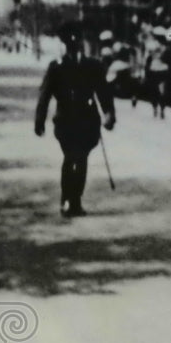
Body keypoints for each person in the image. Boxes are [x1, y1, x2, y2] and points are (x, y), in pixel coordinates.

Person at [34, 21, 115, 218]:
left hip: (88, 122)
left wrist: (109, 114)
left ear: (81, 44)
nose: (73, 46)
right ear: (64, 45)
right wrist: (40, 120)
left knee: (80, 158)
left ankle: (74, 199)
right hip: (65, 123)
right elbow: (44, 95)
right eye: (69, 44)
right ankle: (68, 198)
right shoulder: (56, 67)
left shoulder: (93, 66)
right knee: (72, 158)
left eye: (76, 42)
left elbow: (104, 92)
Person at [145, 26, 171, 119]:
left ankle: (155, 108)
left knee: (154, 90)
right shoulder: (166, 47)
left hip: (154, 69)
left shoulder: (150, 45)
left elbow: (147, 58)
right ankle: (162, 109)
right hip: (163, 70)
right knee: (162, 91)